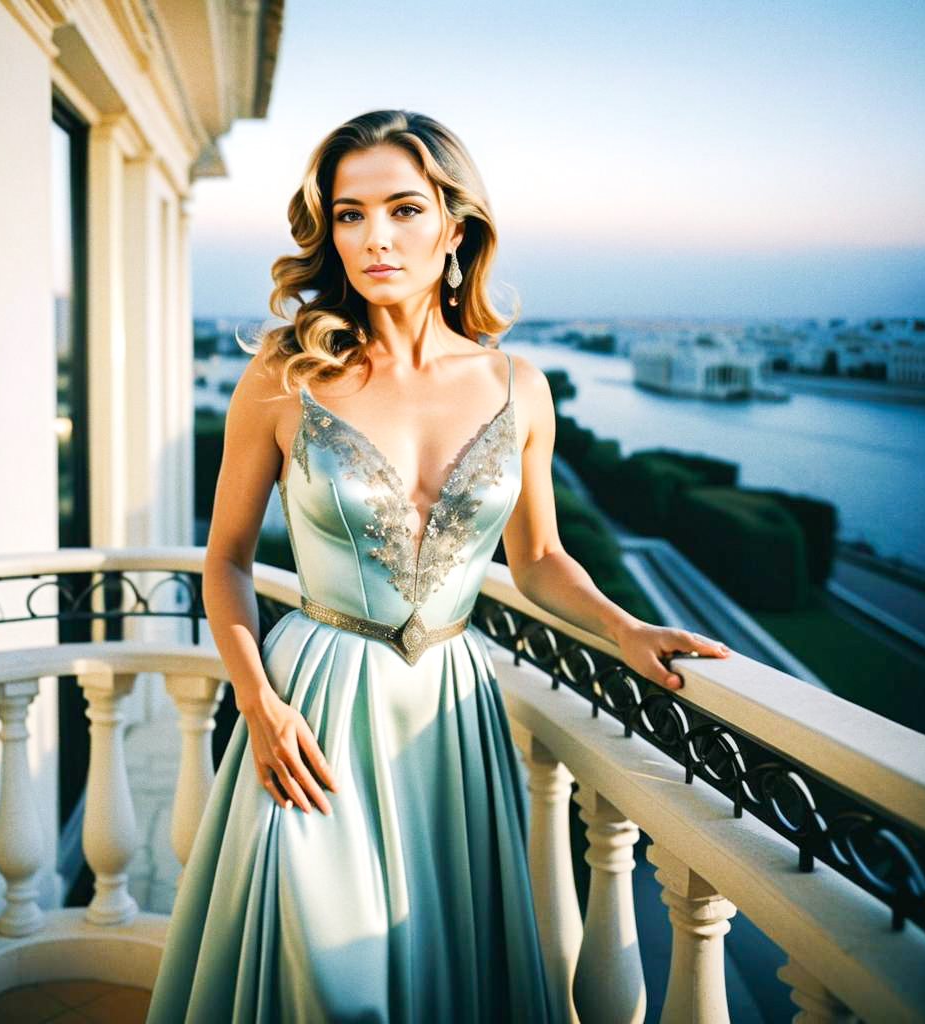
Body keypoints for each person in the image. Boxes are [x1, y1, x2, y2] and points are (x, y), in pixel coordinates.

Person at [145, 109, 730, 1023]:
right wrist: (255, 702)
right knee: (327, 986)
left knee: (444, 977)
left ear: (456, 227)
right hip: (313, 708)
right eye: (348, 214)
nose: (374, 237)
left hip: (449, 714)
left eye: (404, 209)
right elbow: (223, 563)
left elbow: (537, 559)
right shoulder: (285, 373)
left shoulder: (518, 386)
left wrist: (625, 628)